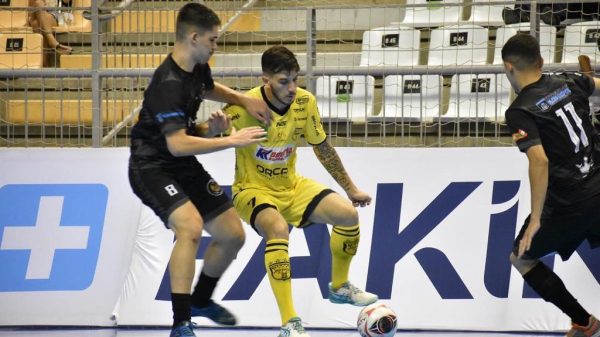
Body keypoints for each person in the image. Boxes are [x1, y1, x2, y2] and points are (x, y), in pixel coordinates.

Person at [127, 3, 270, 337]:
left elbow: (208, 88)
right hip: (151, 166)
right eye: (213, 40)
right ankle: (181, 322)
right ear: (194, 37)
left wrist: (242, 101)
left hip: (181, 162)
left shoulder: (196, 66)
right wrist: (231, 141)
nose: (215, 46)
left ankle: (202, 299)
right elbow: (176, 144)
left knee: (233, 235)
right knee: (189, 227)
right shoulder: (167, 84)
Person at [223, 46, 378, 337]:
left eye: (295, 79)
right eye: (284, 81)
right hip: (251, 189)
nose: (292, 87)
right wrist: (213, 129)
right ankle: (290, 323)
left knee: (346, 215)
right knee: (278, 229)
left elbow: (322, 148)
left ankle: (340, 287)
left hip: (291, 186)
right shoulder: (245, 106)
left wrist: (351, 188)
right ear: (265, 79)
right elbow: (206, 131)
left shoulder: (305, 102)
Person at [502, 33, 600, 337]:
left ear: (508, 68)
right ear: (541, 62)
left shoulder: (520, 110)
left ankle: (585, 322)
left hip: (569, 204)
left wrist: (535, 219)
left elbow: (539, 161)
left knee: (521, 257)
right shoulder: (569, 81)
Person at [27, 0, 72, 66]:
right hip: (35, 12)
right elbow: (30, 4)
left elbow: (66, 1)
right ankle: (52, 42)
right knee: (38, 3)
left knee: (36, 24)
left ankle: (45, 66)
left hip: (53, 15)